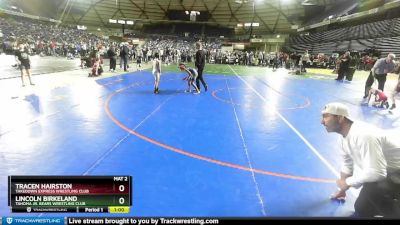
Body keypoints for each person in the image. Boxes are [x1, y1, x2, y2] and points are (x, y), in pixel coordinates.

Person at [321, 102, 400, 217]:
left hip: (395, 173)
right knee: (362, 209)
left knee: (377, 198)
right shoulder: (343, 139)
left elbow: (377, 172)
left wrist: (347, 182)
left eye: (326, 116)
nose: (322, 121)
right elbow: (347, 165)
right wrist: (342, 190)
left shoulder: (363, 135)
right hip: (387, 172)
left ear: (340, 118)